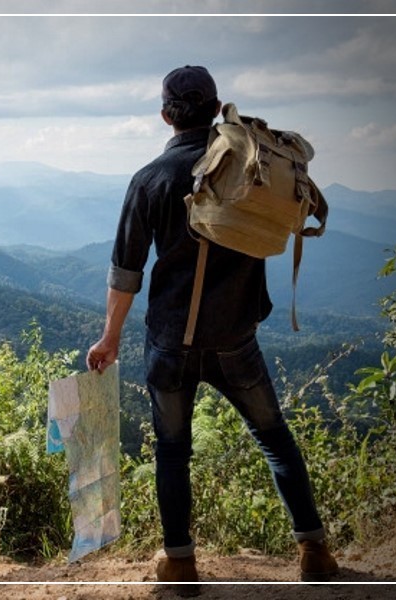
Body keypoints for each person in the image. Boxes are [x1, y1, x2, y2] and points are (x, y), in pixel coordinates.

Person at [86, 65, 338, 589]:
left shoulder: (149, 179)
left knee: (173, 451)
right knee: (273, 438)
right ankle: (314, 550)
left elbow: (125, 273)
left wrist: (109, 338)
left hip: (170, 343)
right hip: (236, 339)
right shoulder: (251, 167)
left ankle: (179, 563)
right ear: (218, 107)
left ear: (164, 116)